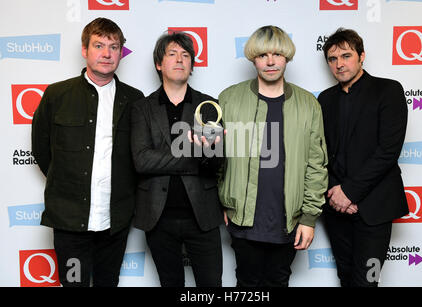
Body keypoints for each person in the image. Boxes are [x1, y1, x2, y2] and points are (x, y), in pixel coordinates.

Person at [31, 18, 144, 287]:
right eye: (99, 45)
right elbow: (42, 150)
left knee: (107, 283)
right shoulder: (57, 94)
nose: (106, 53)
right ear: (85, 50)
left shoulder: (135, 99)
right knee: (74, 284)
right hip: (69, 221)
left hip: (114, 222)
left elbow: (138, 157)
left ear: (120, 53)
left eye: (113, 47)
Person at [218, 25, 328, 287]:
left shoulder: (308, 104)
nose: (270, 61)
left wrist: (309, 218)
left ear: (287, 57)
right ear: (253, 58)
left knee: (279, 281)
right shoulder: (229, 98)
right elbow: (217, 158)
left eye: (277, 54)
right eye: (262, 55)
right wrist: (222, 200)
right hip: (243, 218)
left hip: (288, 219)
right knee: (246, 282)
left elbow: (316, 164)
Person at [130, 32, 224, 287]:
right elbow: (142, 161)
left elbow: (217, 163)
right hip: (158, 217)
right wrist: (193, 155)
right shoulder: (142, 107)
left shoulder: (208, 105)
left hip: (202, 216)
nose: (180, 60)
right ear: (159, 64)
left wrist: (207, 155)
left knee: (211, 285)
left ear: (192, 65)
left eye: (185, 55)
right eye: (172, 54)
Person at [318, 28, 409, 287]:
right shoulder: (325, 100)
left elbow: (388, 151)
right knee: (345, 278)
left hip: (375, 209)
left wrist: (350, 192)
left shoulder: (388, 90)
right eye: (333, 59)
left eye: (346, 56)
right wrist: (337, 194)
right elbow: (321, 153)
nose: (340, 64)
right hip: (337, 209)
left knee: (368, 281)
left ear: (361, 56)